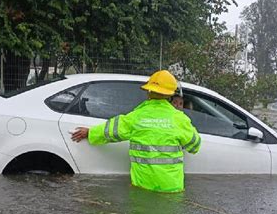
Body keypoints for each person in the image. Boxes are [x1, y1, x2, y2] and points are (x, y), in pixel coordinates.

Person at [71, 70, 201, 193]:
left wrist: (90, 133)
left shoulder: (136, 117)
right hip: (171, 188)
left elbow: (111, 131)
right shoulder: (179, 119)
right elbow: (195, 146)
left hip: (143, 185)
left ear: (149, 92)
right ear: (171, 94)